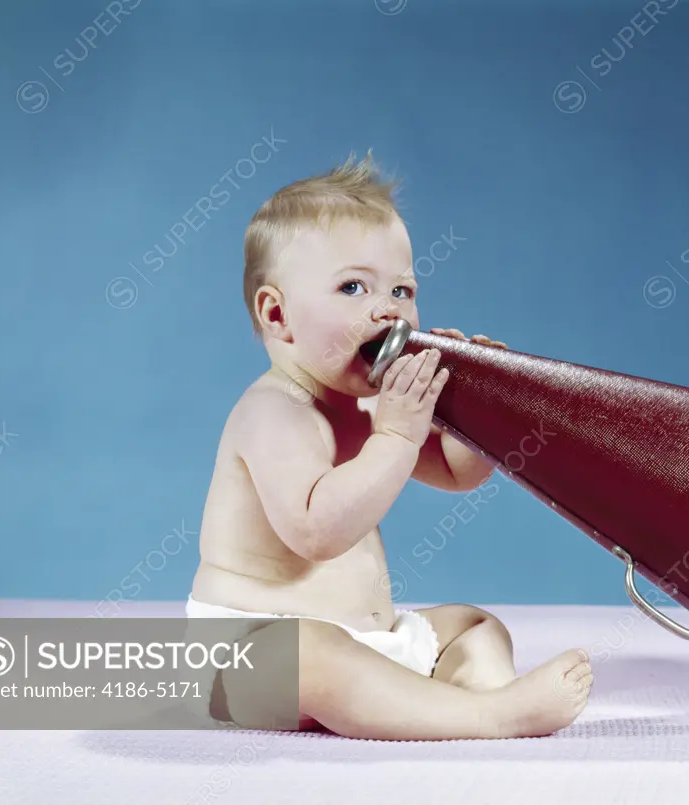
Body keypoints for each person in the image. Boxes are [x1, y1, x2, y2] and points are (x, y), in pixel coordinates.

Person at [184, 152, 593, 740]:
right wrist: (398, 434)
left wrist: (475, 414)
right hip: (252, 658)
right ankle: (488, 717)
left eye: (402, 289)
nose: (388, 309)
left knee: (472, 624)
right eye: (353, 287)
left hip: (366, 640)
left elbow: (458, 475)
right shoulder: (274, 413)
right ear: (278, 315)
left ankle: (477, 692)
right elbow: (318, 531)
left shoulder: (373, 407)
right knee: (313, 651)